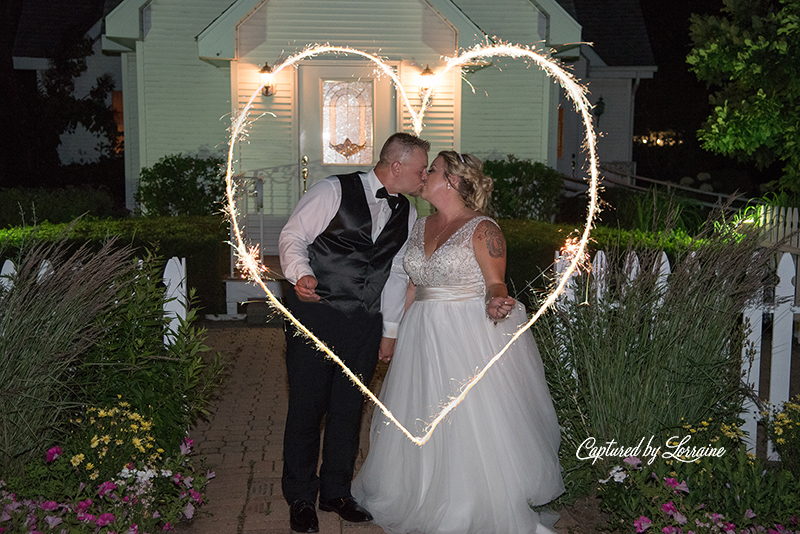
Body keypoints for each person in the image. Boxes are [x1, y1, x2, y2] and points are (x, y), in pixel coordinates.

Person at [351, 150, 565, 534]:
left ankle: (466, 500)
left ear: (451, 181)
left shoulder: (483, 229)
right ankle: (419, 491)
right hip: (421, 332)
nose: (424, 174)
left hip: (463, 332)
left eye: (431, 170)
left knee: (463, 418)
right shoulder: (420, 226)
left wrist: (496, 301)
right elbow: (413, 285)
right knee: (422, 410)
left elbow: (495, 281)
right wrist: (394, 333)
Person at [278, 133, 430, 533]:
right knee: (308, 408)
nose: (425, 176)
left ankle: (336, 492)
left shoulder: (408, 213)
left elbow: (397, 273)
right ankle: (300, 497)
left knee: (348, 410)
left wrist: (390, 330)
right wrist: (301, 273)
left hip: (365, 323)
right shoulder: (332, 190)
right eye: (420, 169)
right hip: (316, 317)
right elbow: (292, 236)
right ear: (396, 166)